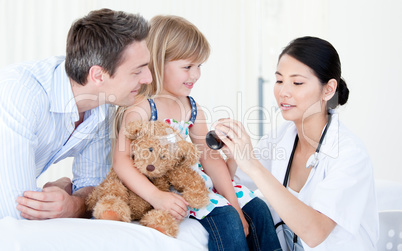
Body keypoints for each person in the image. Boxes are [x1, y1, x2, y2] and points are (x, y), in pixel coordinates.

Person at [113, 15, 281, 251]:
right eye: (187, 67)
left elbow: (209, 158)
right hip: (169, 189)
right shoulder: (141, 110)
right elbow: (121, 162)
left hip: (197, 182)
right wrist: (156, 197)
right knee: (228, 220)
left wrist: (233, 202)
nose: (196, 75)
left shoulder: (191, 108)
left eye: (199, 66)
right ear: (158, 62)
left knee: (259, 209)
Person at [215, 36, 379, 250]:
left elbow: (315, 232)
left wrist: (252, 164)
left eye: (297, 82)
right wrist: (233, 152)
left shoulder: (350, 154)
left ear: (328, 89)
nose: (283, 92)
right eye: (279, 80)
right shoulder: (280, 138)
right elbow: (231, 181)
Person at [0, 8, 152, 220]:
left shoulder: (102, 104)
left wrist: (72, 204)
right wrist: (64, 195)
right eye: (138, 70)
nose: (149, 78)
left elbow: (94, 188)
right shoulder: (20, 94)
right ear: (98, 75)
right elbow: (16, 213)